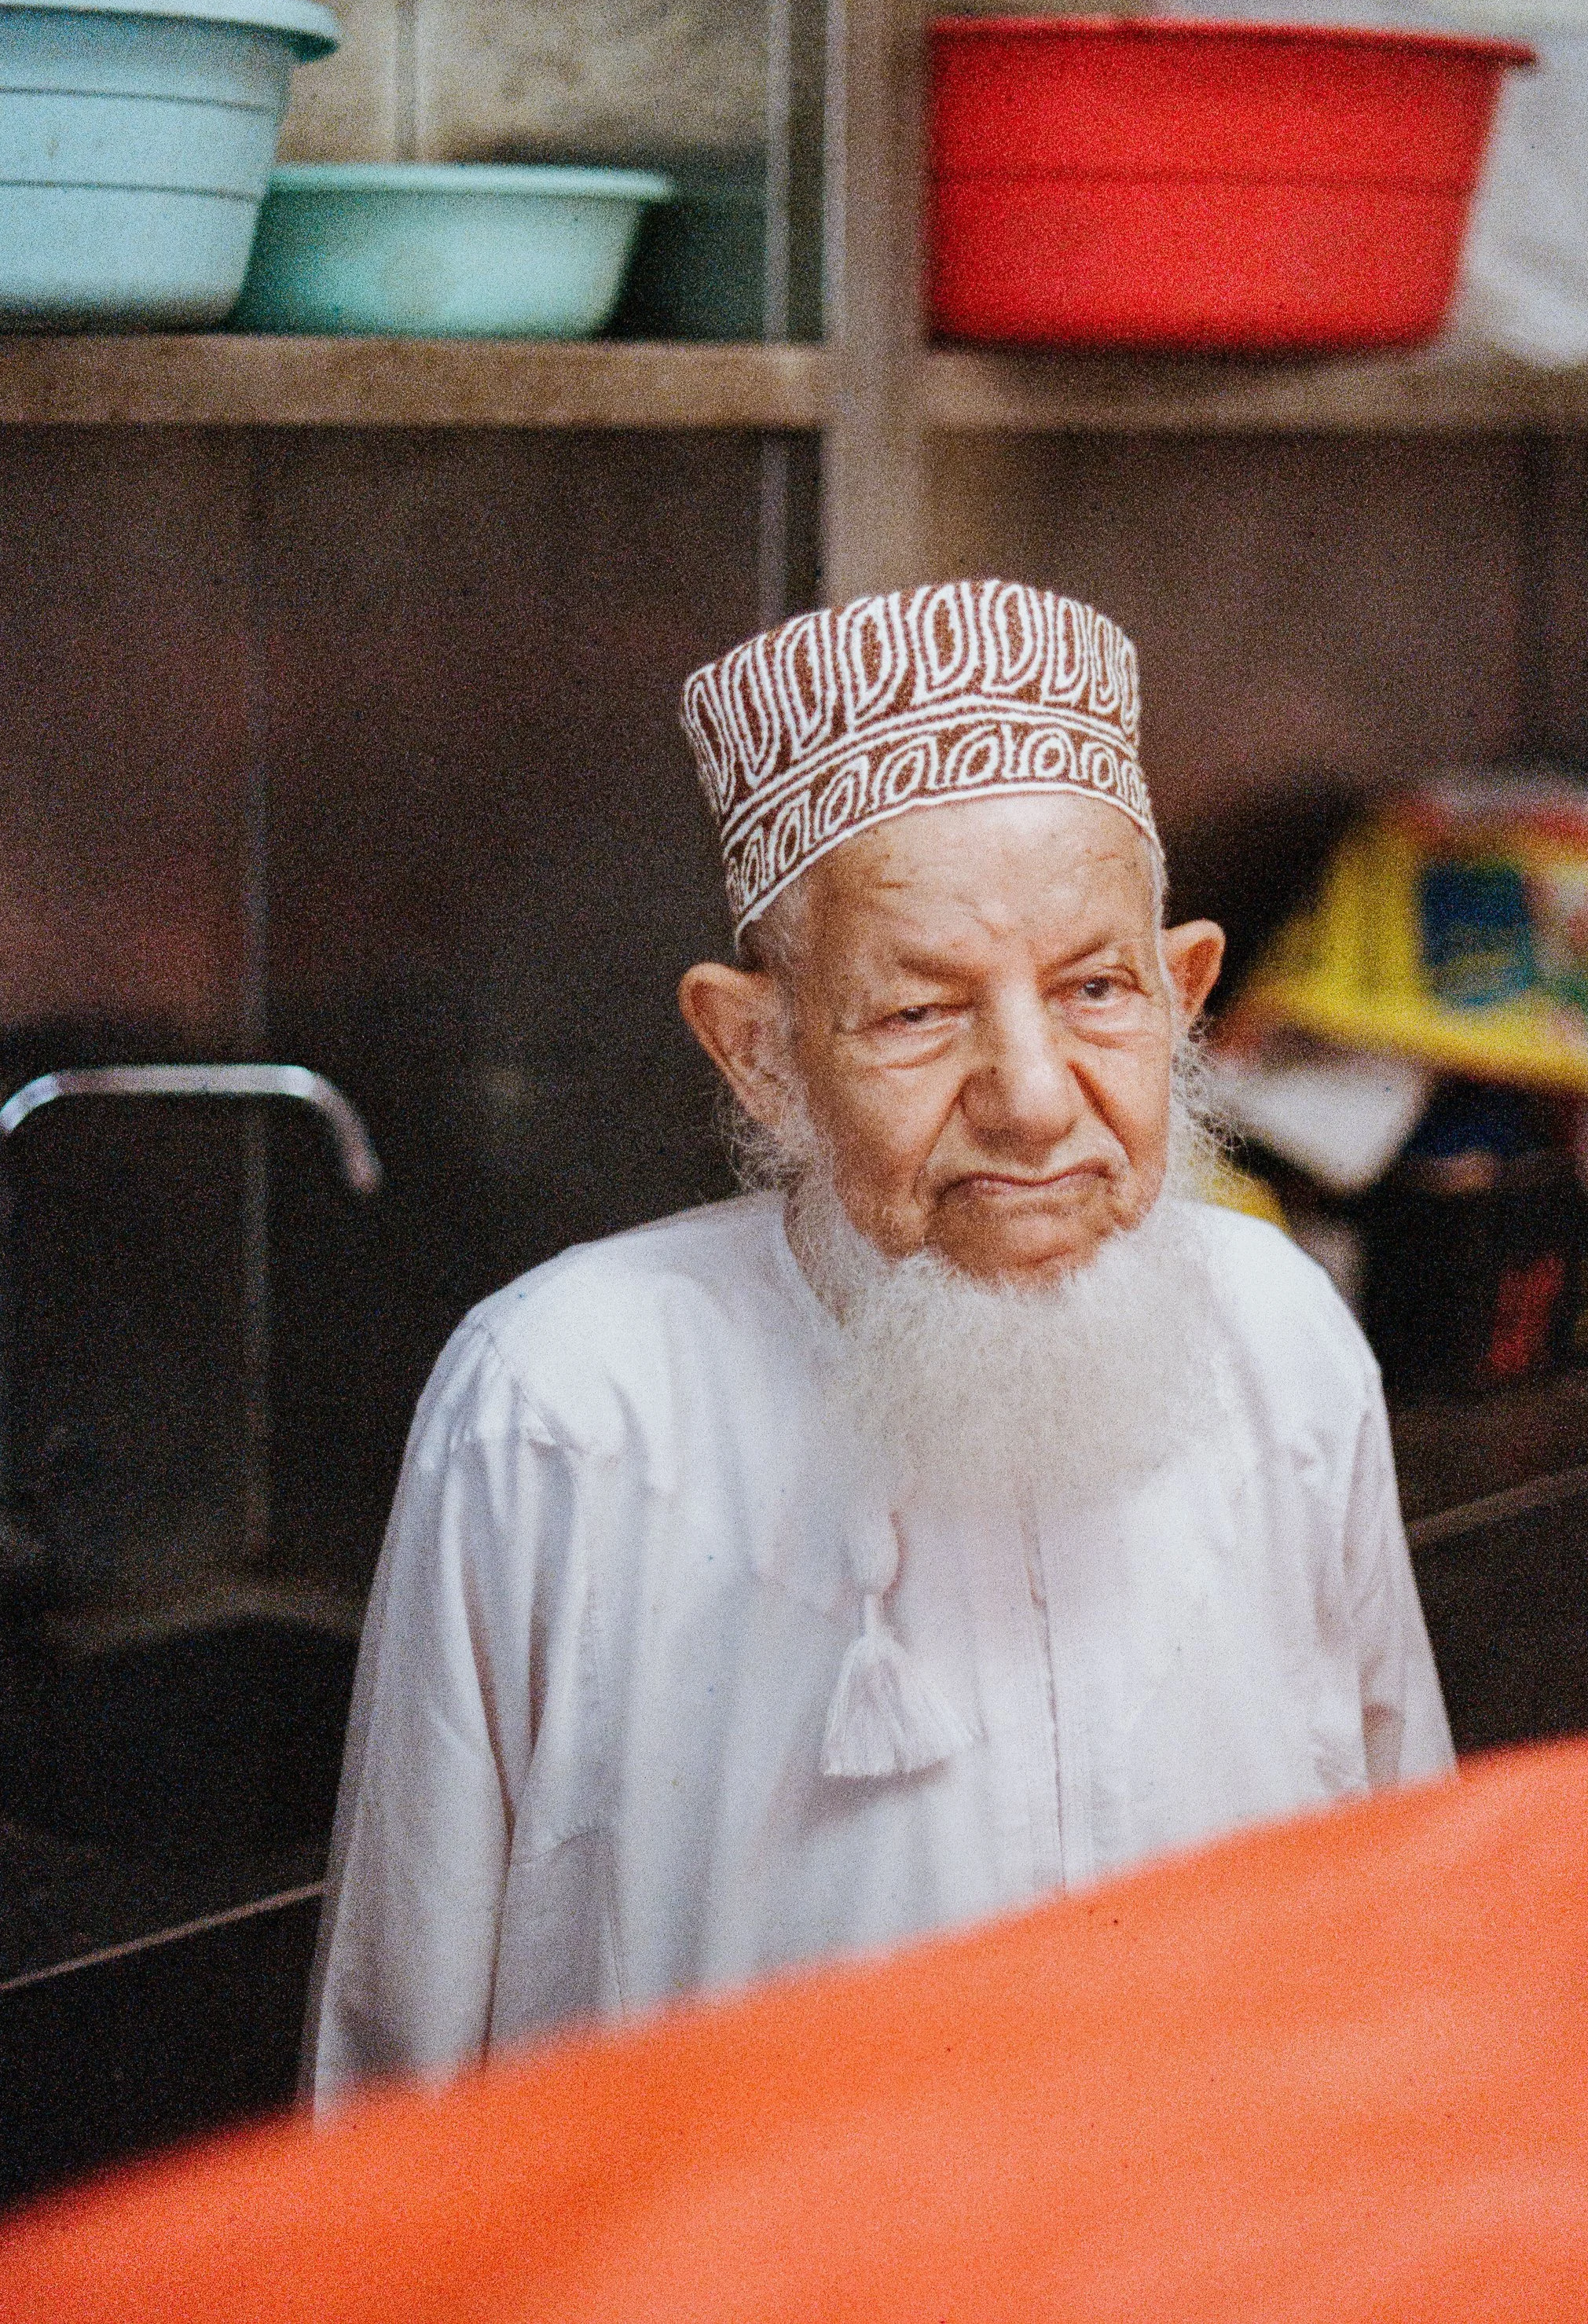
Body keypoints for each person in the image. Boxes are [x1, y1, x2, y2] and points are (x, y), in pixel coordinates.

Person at [303, 579, 1451, 2102]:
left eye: (1093, 990)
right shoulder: (562, 1409)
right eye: (917, 1014)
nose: (1033, 1095)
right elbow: (397, 2076)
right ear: (760, 1051)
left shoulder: (1280, 1333)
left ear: (1179, 995)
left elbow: (1411, 1910)